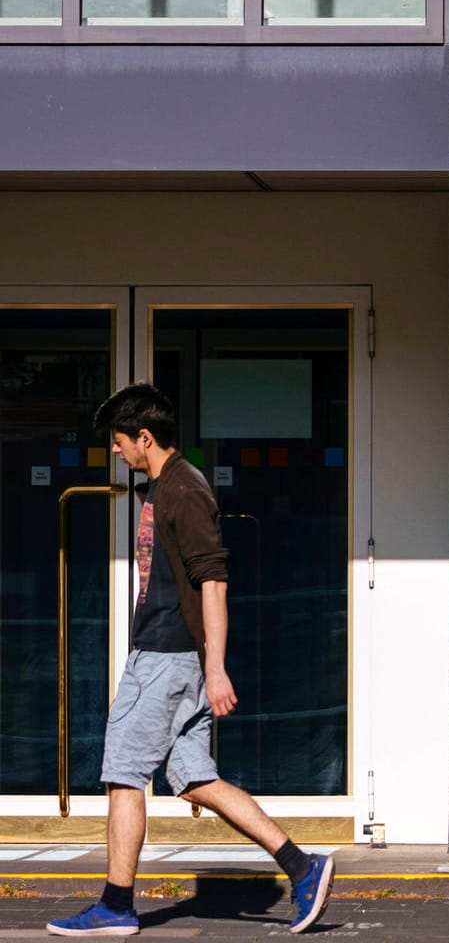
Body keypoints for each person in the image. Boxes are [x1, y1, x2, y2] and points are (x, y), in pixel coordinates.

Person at [47, 384, 333, 937]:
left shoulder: (184, 490)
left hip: (166, 656)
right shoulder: (164, 486)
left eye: (120, 441)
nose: (117, 451)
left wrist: (216, 666)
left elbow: (214, 583)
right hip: (175, 657)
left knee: (123, 774)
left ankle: (116, 905)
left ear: (145, 437)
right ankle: (303, 868)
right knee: (196, 779)